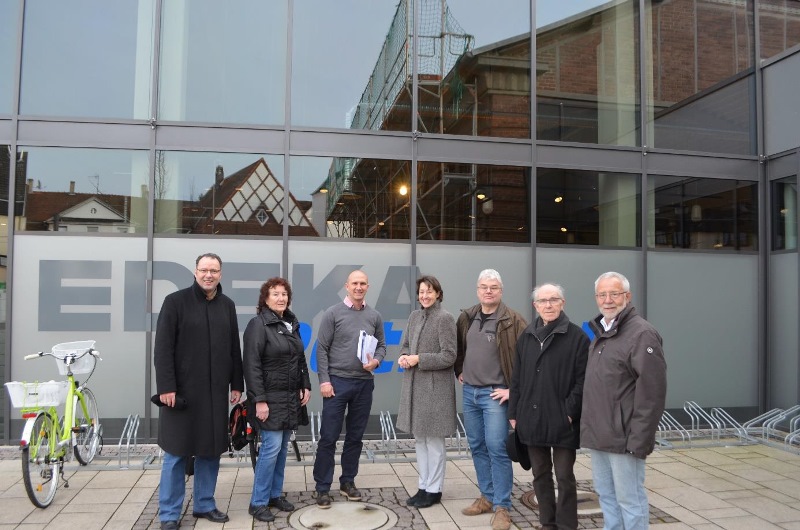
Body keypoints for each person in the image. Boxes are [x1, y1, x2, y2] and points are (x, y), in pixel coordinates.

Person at [154, 253, 244, 530]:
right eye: (204, 270)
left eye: (214, 270)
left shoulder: (227, 306)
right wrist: (166, 386)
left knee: (210, 450)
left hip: (215, 393)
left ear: (220, 274)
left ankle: (204, 504)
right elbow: (163, 348)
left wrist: (237, 384)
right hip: (181, 394)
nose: (208, 275)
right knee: (176, 453)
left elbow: (233, 349)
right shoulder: (175, 302)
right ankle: (169, 513)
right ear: (195, 272)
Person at [581, 271, 667, 530]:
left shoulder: (642, 334)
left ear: (627, 297)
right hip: (600, 435)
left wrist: (639, 439)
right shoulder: (600, 331)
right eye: (602, 294)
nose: (608, 300)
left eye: (614, 293)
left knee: (630, 500)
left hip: (625, 437)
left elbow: (652, 393)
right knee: (606, 496)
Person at [509, 283, 589, 530]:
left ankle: (567, 525)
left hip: (562, 420)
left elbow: (583, 379)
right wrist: (514, 412)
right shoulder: (527, 336)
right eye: (543, 301)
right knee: (540, 474)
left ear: (562, 303)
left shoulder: (577, 337)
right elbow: (517, 377)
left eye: (553, 300)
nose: (548, 305)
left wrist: (569, 412)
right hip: (531, 418)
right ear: (535, 306)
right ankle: (548, 522)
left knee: (565, 476)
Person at [455, 268, 527, 530]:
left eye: (493, 287)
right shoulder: (467, 317)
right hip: (470, 392)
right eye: (484, 286)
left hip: (495, 394)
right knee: (476, 445)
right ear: (477, 290)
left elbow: (527, 360)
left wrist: (512, 391)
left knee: (497, 448)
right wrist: (459, 370)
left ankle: (502, 507)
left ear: (501, 290)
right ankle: (486, 496)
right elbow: (459, 349)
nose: (488, 291)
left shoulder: (513, 320)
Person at [313, 269, 386, 508]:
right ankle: (322, 487)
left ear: (368, 286)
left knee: (355, 437)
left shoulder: (374, 316)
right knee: (329, 437)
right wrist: (324, 380)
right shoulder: (333, 313)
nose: (358, 287)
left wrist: (376, 361)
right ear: (347, 286)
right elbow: (321, 348)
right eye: (354, 283)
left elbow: (382, 347)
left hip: (364, 384)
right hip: (337, 383)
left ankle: (347, 481)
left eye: (363, 283)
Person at [242, 277, 311, 522]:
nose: (281, 298)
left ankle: (274, 495)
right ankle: (258, 502)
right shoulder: (258, 325)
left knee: (282, 449)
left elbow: (299, 358)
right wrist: (259, 400)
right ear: (265, 299)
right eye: (275, 294)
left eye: (284, 294)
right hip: (269, 398)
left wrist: (306, 384)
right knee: (270, 449)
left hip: (289, 397)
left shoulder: (291, 322)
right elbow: (251, 366)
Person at [396, 275, 457, 509]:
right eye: (421, 291)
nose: (425, 295)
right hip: (415, 386)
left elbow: (449, 355)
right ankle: (423, 485)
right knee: (420, 439)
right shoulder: (414, 316)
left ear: (438, 294)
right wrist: (403, 357)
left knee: (434, 441)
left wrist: (418, 358)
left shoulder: (445, 318)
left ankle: (435, 489)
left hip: (435, 389)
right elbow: (405, 346)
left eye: (429, 291)